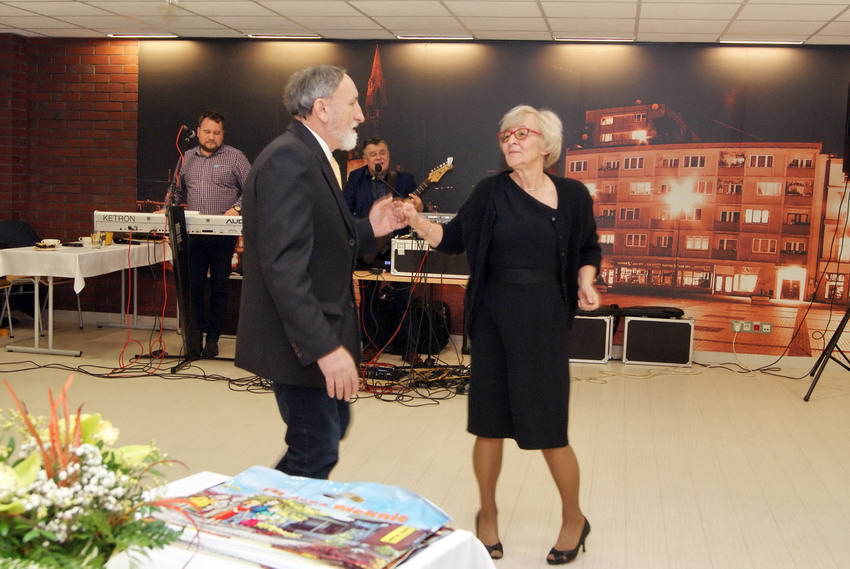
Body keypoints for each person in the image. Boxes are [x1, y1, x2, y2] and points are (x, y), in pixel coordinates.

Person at [400, 105, 602, 565]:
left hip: (545, 321)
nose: (511, 140)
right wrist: (416, 220)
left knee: (550, 428)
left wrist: (586, 278)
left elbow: (588, 247)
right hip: (492, 320)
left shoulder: (573, 195)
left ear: (546, 144)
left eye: (522, 133)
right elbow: (453, 239)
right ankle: (487, 513)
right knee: (488, 425)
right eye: (506, 134)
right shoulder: (490, 192)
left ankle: (574, 518)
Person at [235, 65, 406, 480]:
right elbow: (283, 267)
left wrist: (370, 229)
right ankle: (260, 517)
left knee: (328, 432)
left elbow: (323, 242)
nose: (361, 115)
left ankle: (257, 506)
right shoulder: (288, 160)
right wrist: (324, 349)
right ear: (323, 108)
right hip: (299, 340)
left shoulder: (313, 155)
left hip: (312, 330)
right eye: (353, 104)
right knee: (316, 449)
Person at [163, 110, 250, 359]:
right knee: (194, 286)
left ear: (223, 134)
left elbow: (254, 186)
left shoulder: (235, 157)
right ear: (198, 132)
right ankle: (195, 337)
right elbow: (177, 191)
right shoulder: (187, 158)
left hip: (223, 235)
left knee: (220, 286)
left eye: (217, 133)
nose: (212, 137)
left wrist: (237, 208)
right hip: (194, 234)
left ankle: (213, 338)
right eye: (208, 132)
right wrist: (167, 206)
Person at [343, 136, 423, 364]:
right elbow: (346, 211)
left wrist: (419, 207)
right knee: (369, 297)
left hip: (398, 247)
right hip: (367, 247)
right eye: (373, 154)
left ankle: (409, 348)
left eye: (382, 153)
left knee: (404, 297)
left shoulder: (404, 180)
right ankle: (371, 344)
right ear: (365, 158)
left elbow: (416, 210)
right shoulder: (355, 178)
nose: (378, 157)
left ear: (388, 155)